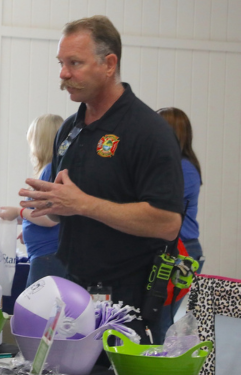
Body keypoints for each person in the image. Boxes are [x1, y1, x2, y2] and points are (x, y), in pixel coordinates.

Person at [19, 16, 184, 344]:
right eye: (61, 63)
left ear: (109, 64)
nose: (63, 74)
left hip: (126, 301)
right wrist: (55, 206)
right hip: (72, 292)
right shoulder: (70, 129)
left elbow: (167, 223)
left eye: (75, 63)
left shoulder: (147, 131)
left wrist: (83, 204)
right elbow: (71, 207)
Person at [0, 114, 67, 287]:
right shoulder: (56, 170)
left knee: (37, 311)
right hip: (48, 255)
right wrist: (28, 224)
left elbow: (50, 217)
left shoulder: (49, 171)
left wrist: (18, 212)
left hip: (48, 257)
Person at [156, 107, 205, 338]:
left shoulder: (183, 168)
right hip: (171, 248)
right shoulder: (173, 166)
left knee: (163, 320)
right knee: (156, 318)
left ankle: (161, 370)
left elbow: (158, 204)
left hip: (182, 251)